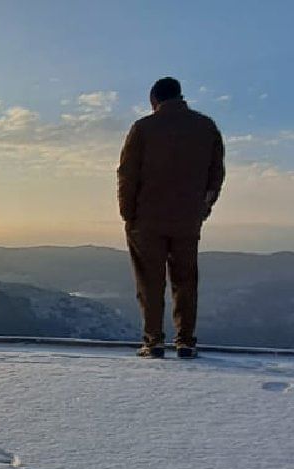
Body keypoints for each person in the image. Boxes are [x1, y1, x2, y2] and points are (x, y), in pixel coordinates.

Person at [117, 77, 225, 359]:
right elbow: (216, 174)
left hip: (146, 219)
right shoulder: (206, 127)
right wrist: (203, 209)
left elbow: (127, 174)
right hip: (188, 219)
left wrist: (128, 214)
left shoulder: (143, 128)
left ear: (154, 100)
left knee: (149, 282)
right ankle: (186, 341)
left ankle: (153, 343)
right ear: (180, 96)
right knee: (185, 280)